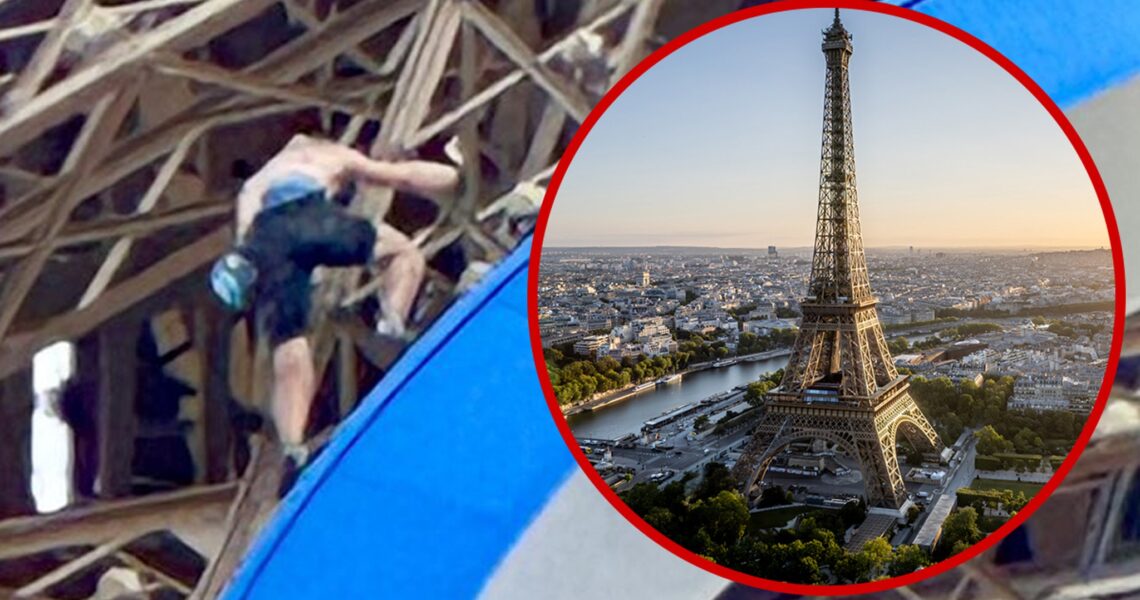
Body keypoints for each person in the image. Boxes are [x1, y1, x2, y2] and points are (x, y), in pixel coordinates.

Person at [210, 134, 458, 473]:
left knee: (290, 347)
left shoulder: (260, 179)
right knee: (402, 253)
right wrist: (457, 178)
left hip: (267, 237)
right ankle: (390, 323)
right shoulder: (330, 156)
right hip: (313, 215)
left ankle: (292, 447)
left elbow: (245, 234)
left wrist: (256, 271)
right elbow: (402, 177)